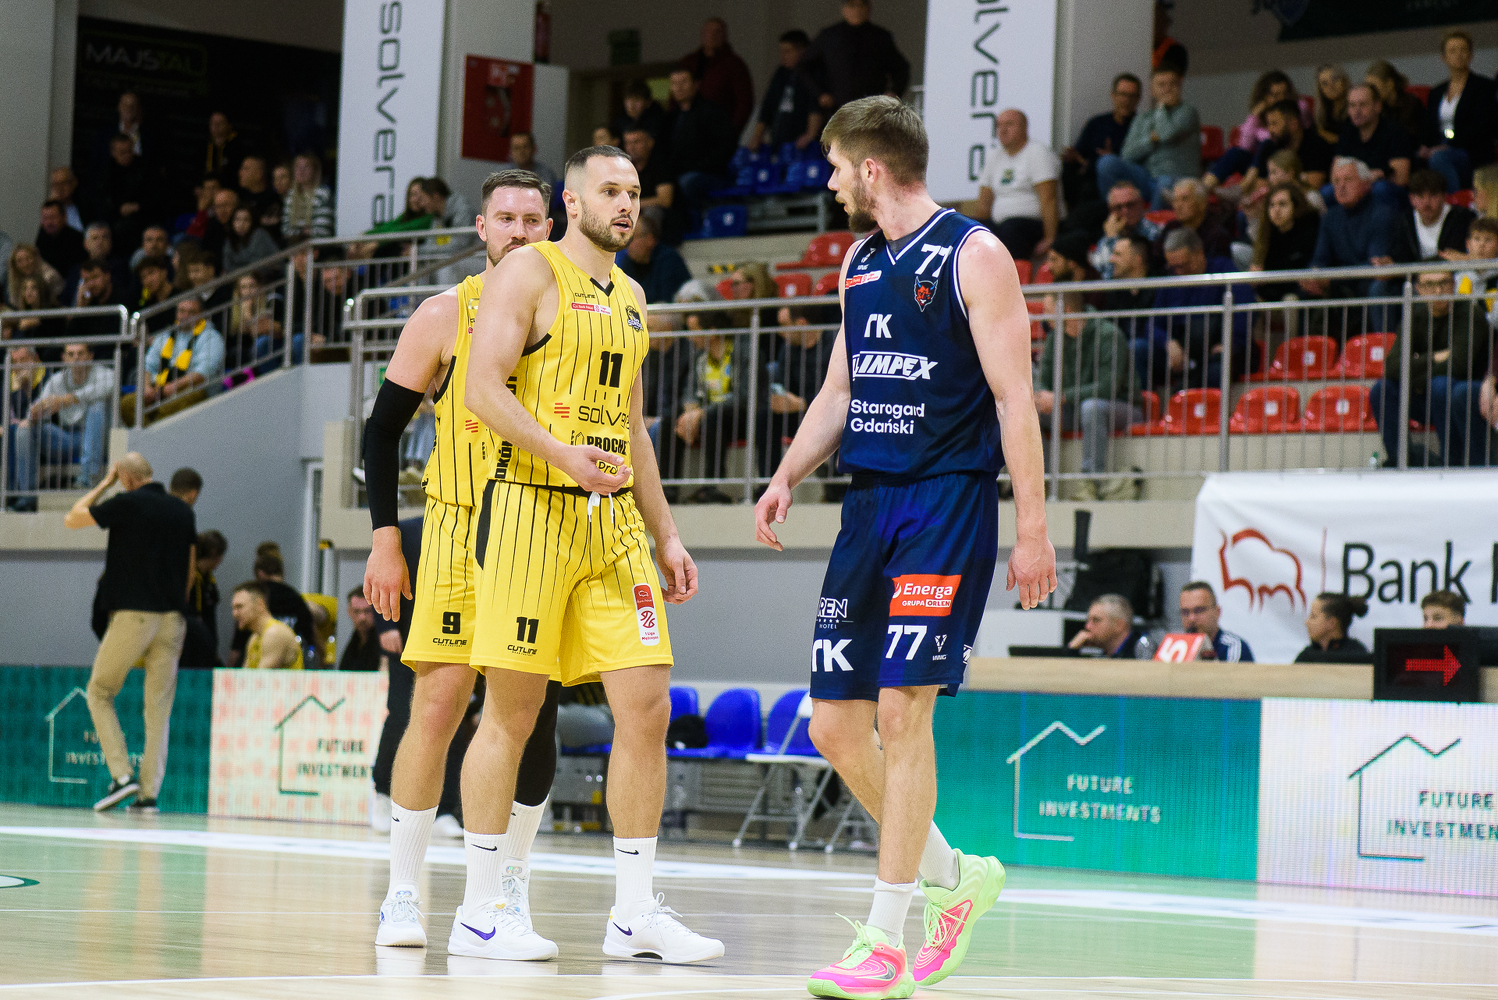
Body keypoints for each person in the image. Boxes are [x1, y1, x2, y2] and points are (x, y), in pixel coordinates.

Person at [753, 96, 1055, 998]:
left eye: (836, 166)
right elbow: (841, 390)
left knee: (900, 713)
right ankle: (954, 878)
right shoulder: (858, 260)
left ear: (872, 168)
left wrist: (1032, 528)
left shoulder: (975, 254)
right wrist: (787, 473)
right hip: (868, 506)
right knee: (834, 726)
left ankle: (885, 941)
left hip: (945, 504)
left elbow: (1014, 398)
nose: (830, 181)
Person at [462, 145, 718, 963]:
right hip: (530, 507)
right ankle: (480, 908)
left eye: (634, 192)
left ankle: (634, 913)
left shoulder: (635, 296)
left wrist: (666, 531)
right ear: (571, 201)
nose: (626, 204)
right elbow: (481, 388)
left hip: (612, 526)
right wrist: (561, 455)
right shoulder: (527, 272)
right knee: (511, 713)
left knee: (648, 706)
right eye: (610, 191)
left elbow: (635, 428)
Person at [359, 170, 565, 953]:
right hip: (455, 529)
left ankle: (508, 888)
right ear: (481, 227)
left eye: (532, 219)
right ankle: (402, 892)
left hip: (542, 529)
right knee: (438, 705)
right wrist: (386, 537)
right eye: (505, 217)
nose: (519, 230)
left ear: (551, 228)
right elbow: (381, 432)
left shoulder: (576, 313)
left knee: (533, 716)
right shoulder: (445, 313)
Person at [63, 452, 196, 812]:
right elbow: (190, 569)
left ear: (125, 477)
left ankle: (122, 776)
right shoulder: (182, 510)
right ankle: (148, 795)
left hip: (135, 614)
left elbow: (72, 518)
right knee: (158, 709)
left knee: (99, 691)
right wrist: (177, 606)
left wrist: (104, 484)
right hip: (173, 618)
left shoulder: (126, 502)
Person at [367, 514, 474, 839]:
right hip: (407, 636)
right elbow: (381, 575)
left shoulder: (477, 524)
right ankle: (382, 793)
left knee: (453, 720)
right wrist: (386, 625)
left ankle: (444, 809)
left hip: (456, 637)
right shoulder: (406, 530)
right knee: (402, 715)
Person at [1368, 270, 1490, 468]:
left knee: (1440, 385)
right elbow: (1392, 367)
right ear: (1419, 289)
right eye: (1429, 285)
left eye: (1444, 283)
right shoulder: (1415, 315)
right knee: (1382, 390)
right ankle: (1401, 461)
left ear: (1453, 285)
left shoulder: (1469, 313)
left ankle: (1451, 463)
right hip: (1427, 397)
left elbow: (1459, 366)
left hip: (1463, 398)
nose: (1438, 290)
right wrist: (1434, 357)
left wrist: (1416, 369)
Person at [1035, 292, 1141, 500]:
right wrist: (1040, 396)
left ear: (1066, 311)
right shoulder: (1055, 338)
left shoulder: (1108, 334)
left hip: (1122, 407)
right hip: (1073, 408)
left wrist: (1061, 397)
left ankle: (1090, 483)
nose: (1044, 318)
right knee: (1030, 412)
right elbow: (1043, 379)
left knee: (1091, 407)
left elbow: (1108, 386)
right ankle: (1039, 485)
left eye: (1047, 311)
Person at [1143, 228, 1256, 390]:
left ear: (1199, 253)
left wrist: (1230, 343)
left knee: (1217, 370)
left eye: (1183, 265)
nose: (1179, 272)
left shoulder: (1223, 270)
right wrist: (1168, 342)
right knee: (1139, 350)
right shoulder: (1171, 281)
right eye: (1173, 267)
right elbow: (1152, 324)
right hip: (1184, 354)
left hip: (1220, 351)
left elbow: (1246, 309)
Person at [1303, 158, 1401, 314]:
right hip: (1341, 285)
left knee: (1376, 288)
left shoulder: (1382, 214)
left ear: (1366, 184)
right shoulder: (1330, 217)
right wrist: (1312, 275)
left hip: (1367, 284)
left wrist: (1331, 279)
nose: (1341, 186)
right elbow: (1320, 259)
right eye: (1336, 181)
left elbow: (1375, 265)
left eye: (1348, 180)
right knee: (1306, 290)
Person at [14, 341, 113, 492]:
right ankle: (27, 494)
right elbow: (38, 405)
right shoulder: (57, 380)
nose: (76, 358)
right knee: (24, 429)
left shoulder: (105, 374)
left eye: (80, 353)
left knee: (96, 407)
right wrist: (34, 414)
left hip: (102, 439)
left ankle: (86, 481)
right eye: (71, 354)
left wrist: (66, 400)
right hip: (69, 438)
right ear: (64, 358)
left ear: (90, 356)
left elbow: (105, 388)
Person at [1097, 67, 1199, 208]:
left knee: (1165, 182)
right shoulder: (1142, 118)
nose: (1167, 89)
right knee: (1107, 162)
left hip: (1177, 180)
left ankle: (1151, 221)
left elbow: (1165, 134)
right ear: (1152, 90)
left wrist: (1161, 106)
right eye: (1161, 85)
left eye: (1172, 84)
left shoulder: (1187, 112)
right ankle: (1116, 213)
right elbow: (1127, 155)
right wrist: (1151, 140)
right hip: (1147, 178)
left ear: (1179, 87)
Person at [967, 109, 1060, 262]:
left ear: (1024, 128)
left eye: (1009, 124)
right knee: (967, 228)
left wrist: (1050, 238)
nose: (1002, 130)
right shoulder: (994, 157)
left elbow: (1049, 199)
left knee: (1010, 228)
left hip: (1030, 226)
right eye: (999, 125)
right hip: (1002, 225)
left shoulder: (1037, 153)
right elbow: (984, 205)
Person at [122, 297, 225, 426]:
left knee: (167, 407)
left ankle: (152, 435)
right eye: (181, 311)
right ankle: (150, 434)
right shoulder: (166, 335)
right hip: (160, 388)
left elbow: (202, 374)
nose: (185, 316)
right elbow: (147, 366)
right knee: (127, 404)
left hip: (195, 390)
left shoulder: (211, 337)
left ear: (201, 314)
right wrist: (147, 387)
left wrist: (173, 386)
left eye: (191, 312)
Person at [798, 0, 910, 117]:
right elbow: (803, 66)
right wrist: (820, 94)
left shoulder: (880, 37)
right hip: (837, 109)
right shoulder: (830, 36)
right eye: (852, 5)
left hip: (871, 111)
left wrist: (893, 92)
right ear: (844, 9)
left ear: (869, 8)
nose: (857, 10)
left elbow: (901, 68)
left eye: (861, 5)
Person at [1420, 31, 1497, 195]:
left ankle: (1454, 204)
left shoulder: (1484, 87)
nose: (1458, 55)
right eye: (1453, 51)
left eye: (1463, 50)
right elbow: (1430, 126)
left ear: (1470, 54)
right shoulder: (1437, 92)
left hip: (1470, 150)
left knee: (1439, 158)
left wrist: (1449, 144)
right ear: (1443, 57)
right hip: (1440, 146)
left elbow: (1482, 126)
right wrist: (1427, 146)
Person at [663, 68, 737, 217]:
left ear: (696, 85)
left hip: (710, 174)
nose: (678, 87)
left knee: (686, 183)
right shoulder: (670, 118)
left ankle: (694, 223)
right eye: (674, 83)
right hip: (679, 174)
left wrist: (697, 166)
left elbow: (725, 149)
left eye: (683, 82)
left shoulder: (713, 111)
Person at [1062, 73, 1141, 211]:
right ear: (1113, 95)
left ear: (1138, 99)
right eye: (1123, 94)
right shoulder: (1097, 123)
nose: (1127, 100)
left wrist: (1109, 159)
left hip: (1122, 183)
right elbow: (1080, 152)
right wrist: (1073, 157)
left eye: (1132, 96)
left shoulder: (1140, 126)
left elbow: (1135, 163)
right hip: (1089, 180)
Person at [749, 29, 822, 153]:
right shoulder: (781, 73)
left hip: (801, 143)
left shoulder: (814, 74)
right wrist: (757, 135)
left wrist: (810, 134)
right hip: (779, 139)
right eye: (781, 51)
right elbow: (768, 104)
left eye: (788, 51)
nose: (783, 56)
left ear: (803, 50)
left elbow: (815, 105)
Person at [1334, 85, 1414, 197]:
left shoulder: (1395, 132)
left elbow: (1401, 179)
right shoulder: (1347, 132)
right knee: (1327, 191)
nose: (1357, 111)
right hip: (1354, 188)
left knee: (1381, 188)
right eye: (1352, 105)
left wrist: (1359, 180)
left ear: (1377, 107)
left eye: (1363, 105)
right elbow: (1335, 175)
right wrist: (1366, 177)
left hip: (1384, 191)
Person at [678, 17, 754, 132]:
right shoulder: (689, 62)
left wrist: (732, 130)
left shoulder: (734, 65)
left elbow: (744, 102)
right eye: (708, 31)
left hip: (719, 126)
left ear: (724, 36)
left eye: (717, 32)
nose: (711, 36)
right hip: (688, 124)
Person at [1251, 182, 1320, 301]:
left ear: (1296, 206)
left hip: (1302, 295)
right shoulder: (1266, 234)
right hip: (1274, 295)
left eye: (1282, 204)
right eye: (1272, 205)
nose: (1276, 210)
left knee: (1291, 300)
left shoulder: (1311, 231)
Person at [1397, 169, 1477, 263]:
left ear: (1444, 197)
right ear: (1411, 199)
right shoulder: (1405, 221)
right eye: (1420, 196)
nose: (1426, 202)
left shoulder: (1462, 218)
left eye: (1433, 195)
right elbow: (1399, 257)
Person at [615, 206, 690, 304]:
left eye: (632, 238)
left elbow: (666, 302)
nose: (627, 243)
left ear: (649, 239)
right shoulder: (629, 261)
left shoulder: (669, 260)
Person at [231, 582, 304, 670]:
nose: (235, 614)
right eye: (234, 608)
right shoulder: (254, 638)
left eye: (239, 607)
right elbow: (246, 676)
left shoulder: (274, 633)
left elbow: (260, 677)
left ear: (260, 604)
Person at [181, 529, 227, 668]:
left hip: (206, 640)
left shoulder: (209, 580)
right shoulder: (190, 578)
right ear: (215, 554)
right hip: (191, 641)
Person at [1178, 581, 1253, 661]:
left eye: (1198, 610)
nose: (1191, 619)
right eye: (1185, 612)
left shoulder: (1232, 647)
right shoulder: (1177, 646)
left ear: (1217, 612)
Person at [1160, 178, 1233, 259]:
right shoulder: (1171, 228)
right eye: (1175, 200)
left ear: (1202, 203)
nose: (1178, 206)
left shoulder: (1218, 236)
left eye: (1185, 199)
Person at [1295, 593, 1371, 663]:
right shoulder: (1307, 655)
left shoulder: (1356, 655)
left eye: (1313, 617)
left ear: (1331, 623)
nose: (1307, 622)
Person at [1067, 594, 1148, 658]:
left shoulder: (1143, 652)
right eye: (1088, 621)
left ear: (1119, 625)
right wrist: (1072, 650)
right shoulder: (1103, 657)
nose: (1087, 626)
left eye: (1096, 620)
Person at [1365, 60, 1425, 140]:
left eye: (1374, 87)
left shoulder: (1411, 105)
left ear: (1390, 84)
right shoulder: (1378, 108)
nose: (1370, 92)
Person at [339, 587, 395, 672]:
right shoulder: (354, 642)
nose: (362, 617)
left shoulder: (384, 641)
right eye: (356, 611)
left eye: (367, 611)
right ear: (349, 612)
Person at [282, 153, 335, 241]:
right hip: (293, 244)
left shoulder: (323, 194)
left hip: (317, 244)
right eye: (297, 167)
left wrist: (300, 232)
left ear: (315, 171)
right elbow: (285, 230)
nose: (301, 171)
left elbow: (324, 230)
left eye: (306, 167)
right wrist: (302, 232)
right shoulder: (290, 196)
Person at [222, 205, 278, 274]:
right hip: (239, 277)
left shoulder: (259, 234)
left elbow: (257, 266)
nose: (241, 224)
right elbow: (227, 266)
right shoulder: (230, 239)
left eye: (246, 220)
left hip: (269, 275)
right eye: (237, 219)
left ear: (252, 222)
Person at [36, 200, 87, 276]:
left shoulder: (77, 239)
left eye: (53, 218)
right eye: (45, 218)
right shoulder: (42, 237)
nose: (49, 222)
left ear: (64, 218)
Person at [205, 111, 246, 187]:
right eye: (213, 123)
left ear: (229, 125)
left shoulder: (237, 146)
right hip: (208, 185)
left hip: (229, 187)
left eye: (220, 123)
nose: (216, 126)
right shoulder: (206, 144)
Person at [1315, 64, 1351, 144]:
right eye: (1324, 83)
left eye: (1335, 79)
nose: (1331, 86)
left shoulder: (1355, 106)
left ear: (1344, 81)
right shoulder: (1323, 111)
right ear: (1321, 90)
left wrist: (1327, 136)